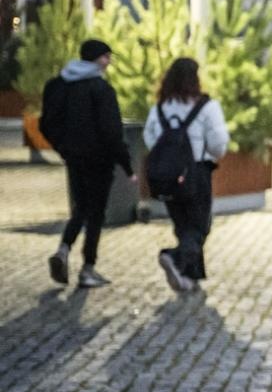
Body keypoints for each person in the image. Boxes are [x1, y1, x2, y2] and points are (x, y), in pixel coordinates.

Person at [38, 38, 134, 289]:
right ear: (97, 59)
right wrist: (127, 166)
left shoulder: (60, 85)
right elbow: (112, 132)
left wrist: (63, 148)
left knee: (80, 207)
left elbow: (46, 123)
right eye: (106, 56)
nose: (109, 61)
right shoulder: (100, 89)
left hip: (74, 158)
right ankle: (88, 268)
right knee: (95, 213)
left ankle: (63, 249)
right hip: (100, 161)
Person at [143, 57, 229, 293]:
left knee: (183, 225)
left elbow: (150, 137)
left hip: (168, 176)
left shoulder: (160, 107)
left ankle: (190, 277)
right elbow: (218, 143)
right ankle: (174, 257)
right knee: (200, 226)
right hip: (197, 172)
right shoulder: (206, 106)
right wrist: (208, 153)